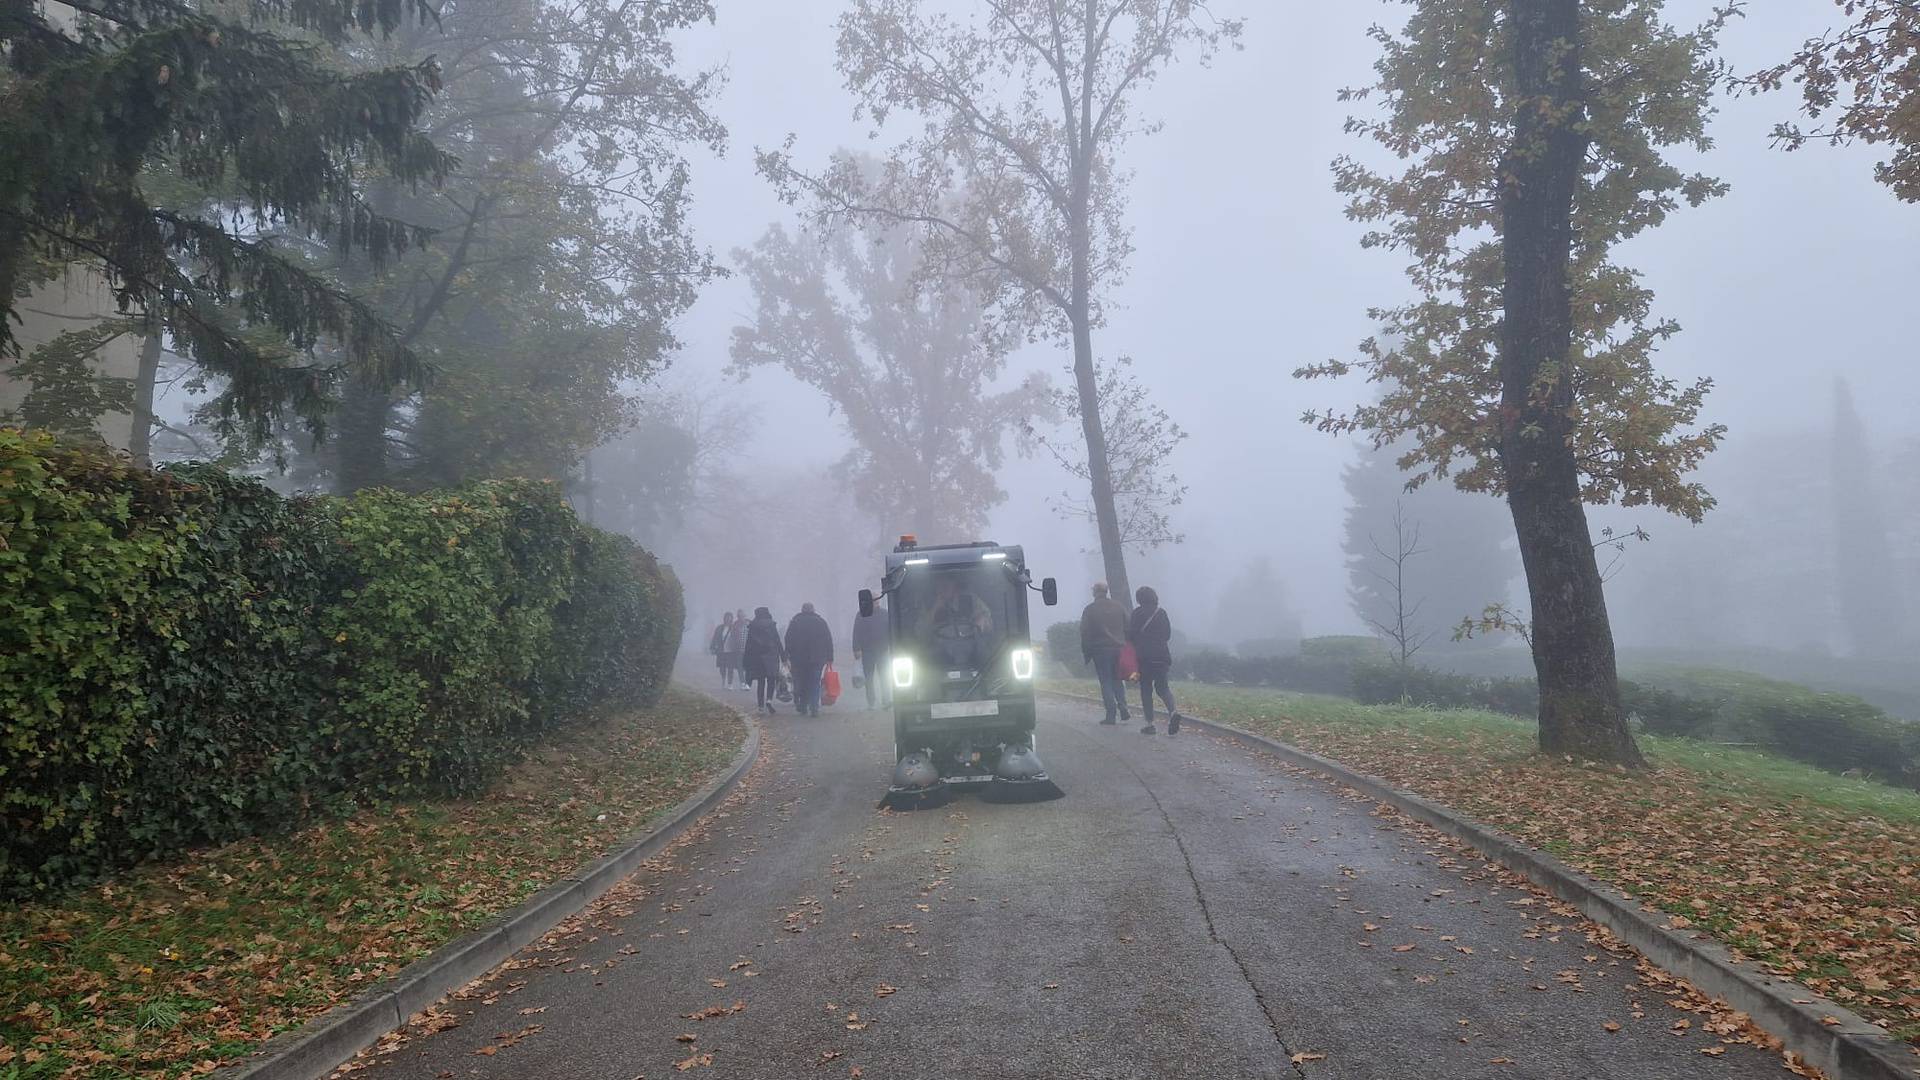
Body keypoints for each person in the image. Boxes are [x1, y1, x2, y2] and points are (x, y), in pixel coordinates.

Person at [1127, 585, 1183, 736]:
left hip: (1143, 658)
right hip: (1161, 657)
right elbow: (1167, 635)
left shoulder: (1137, 613)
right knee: (1163, 687)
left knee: (1146, 689)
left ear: (1139, 599)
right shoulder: (1161, 613)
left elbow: (1130, 636)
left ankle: (1150, 724)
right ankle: (1173, 712)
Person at [1079, 582, 1130, 726]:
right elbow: (1128, 625)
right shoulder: (1118, 606)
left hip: (1100, 650)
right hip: (1119, 648)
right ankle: (1123, 705)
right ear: (1106, 591)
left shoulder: (1090, 610)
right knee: (1117, 679)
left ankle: (1111, 714)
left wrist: (1086, 652)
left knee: (1106, 681)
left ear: (1095, 592)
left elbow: (1084, 632)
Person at [783, 602, 835, 718]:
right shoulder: (821, 622)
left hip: (798, 659)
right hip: (817, 658)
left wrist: (786, 655)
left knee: (801, 681)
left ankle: (802, 705)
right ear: (813, 610)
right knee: (814, 682)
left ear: (802, 610)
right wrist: (830, 657)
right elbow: (828, 640)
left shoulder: (795, 622)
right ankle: (814, 706)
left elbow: (788, 640)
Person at [742, 607, 784, 714]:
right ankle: (769, 700)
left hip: (758, 657)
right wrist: (783, 657)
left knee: (761, 682)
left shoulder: (753, 626)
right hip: (771, 656)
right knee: (771, 680)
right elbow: (777, 641)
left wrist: (746, 659)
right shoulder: (771, 625)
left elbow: (749, 644)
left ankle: (760, 706)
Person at [850, 599, 891, 710]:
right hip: (867, 651)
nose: (876, 602)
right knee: (869, 678)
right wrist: (856, 648)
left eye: (877, 600)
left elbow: (890, 630)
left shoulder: (885, 613)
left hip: (883, 650)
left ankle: (886, 700)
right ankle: (871, 702)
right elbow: (856, 632)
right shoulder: (861, 614)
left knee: (885, 676)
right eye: (874, 600)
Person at [721, 608, 748, 691]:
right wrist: (733, 647)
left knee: (745, 668)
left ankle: (744, 683)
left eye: (742, 616)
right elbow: (732, 638)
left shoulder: (749, 624)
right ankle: (735, 684)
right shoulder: (735, 625)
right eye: (739, 616)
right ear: (738, 617)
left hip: (746, 651)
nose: (741, 618)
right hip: (737, 650)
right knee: (735, 667)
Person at [710, 612, 735, 688]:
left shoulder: (734, 628)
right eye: (727, 617)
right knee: (722, 667)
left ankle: (730, 683)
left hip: (731, 651)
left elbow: (737, 638)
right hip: (721, 651)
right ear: (724, 618)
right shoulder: (719, 628)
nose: (728, 619)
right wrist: (712, 647)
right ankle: (723, 679)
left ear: (731, 619)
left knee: (730, 668)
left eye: (730, 617)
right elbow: (715, 638)